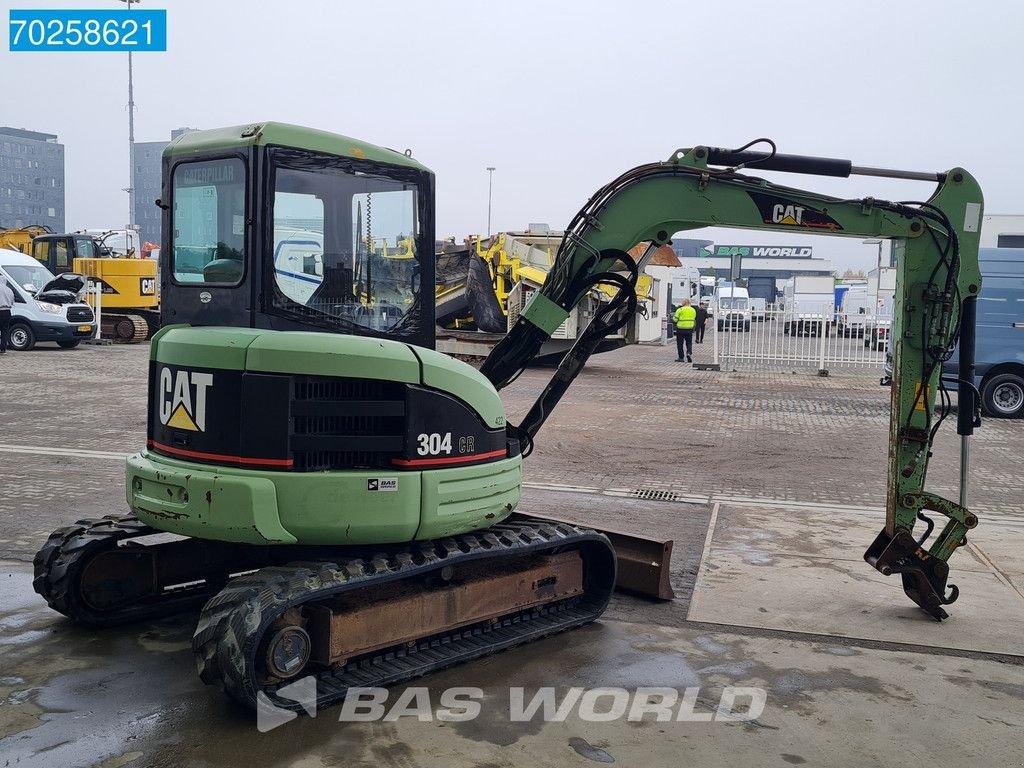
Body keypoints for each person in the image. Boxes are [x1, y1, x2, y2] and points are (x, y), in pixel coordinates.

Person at [673, 298, 697, 362]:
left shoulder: (680, 310)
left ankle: (681, 357)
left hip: (680, 329)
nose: (681, 303)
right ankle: (689, 353)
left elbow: (675, 319)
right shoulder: (693, 310)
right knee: (689, 343)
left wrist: (674, 320)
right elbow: (694, 318)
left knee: (680, 344)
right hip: (689, 329)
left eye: (682, 302)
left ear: (684, 303)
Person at [0, 279, 13, 354]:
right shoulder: (9, 290)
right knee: (4, 331)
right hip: (7, 311)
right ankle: (3, 349)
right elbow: (12, 301)